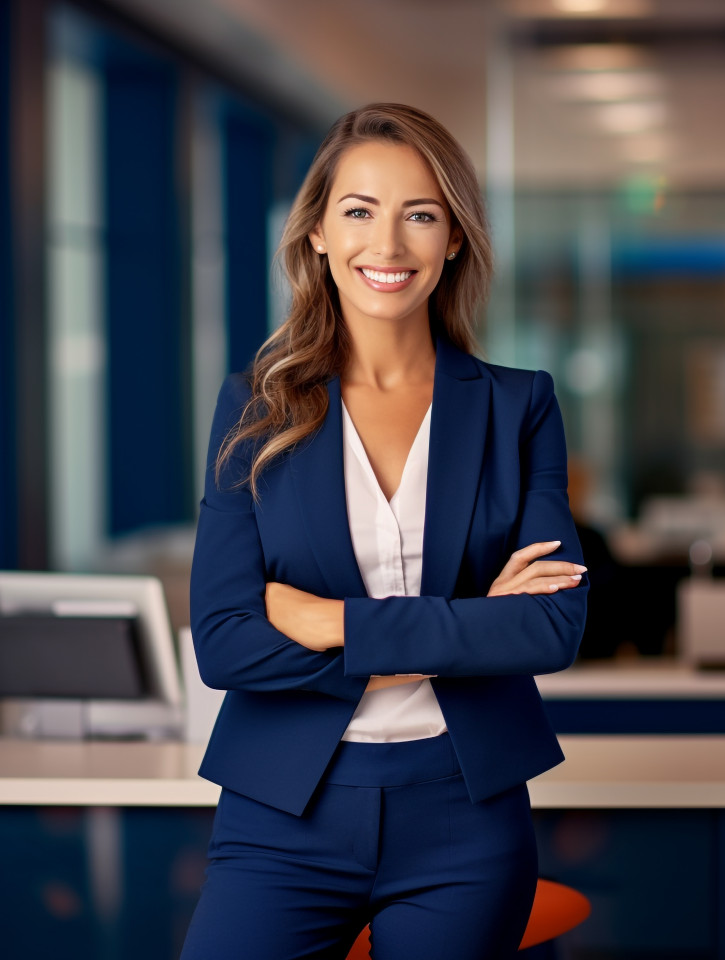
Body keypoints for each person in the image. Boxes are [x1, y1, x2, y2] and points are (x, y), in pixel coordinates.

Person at [181, 103, 588, 960]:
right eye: (360, 211)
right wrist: (470, 624)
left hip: (465, 817)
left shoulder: (520, 405)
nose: (389, 244)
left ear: (455, 240)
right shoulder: (254, 407)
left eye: (421, 214)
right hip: (280, 811)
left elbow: (549, 625)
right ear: (319, 234)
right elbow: (223, 643)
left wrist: (336, 621)